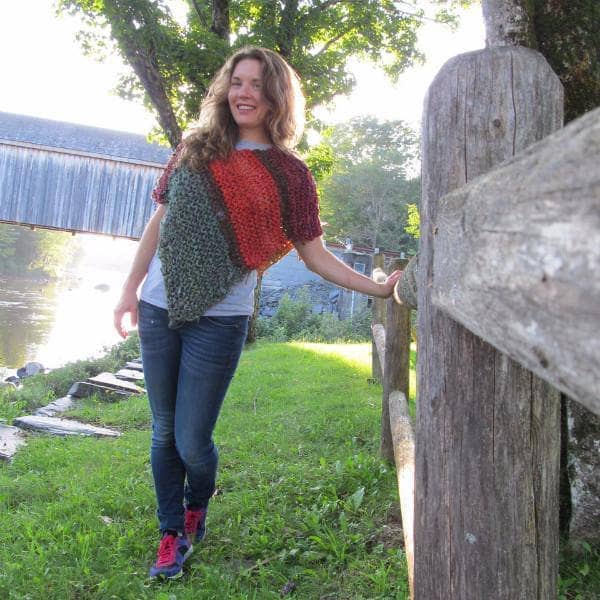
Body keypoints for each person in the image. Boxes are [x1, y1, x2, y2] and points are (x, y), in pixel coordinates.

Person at [113, 46, 402, 580]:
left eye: (257, 86)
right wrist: (130, 288)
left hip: (221, 319)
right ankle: (171, 534)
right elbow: (159, 220)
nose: (244, 93)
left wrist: (379, 289)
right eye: (237, 82)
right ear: (226, 88)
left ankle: (197, 502)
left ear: (276, 100)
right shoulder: (193, 148)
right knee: (161, 432)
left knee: (191, 440)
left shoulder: (291, 175)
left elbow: (314, 254)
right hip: (157, 306)